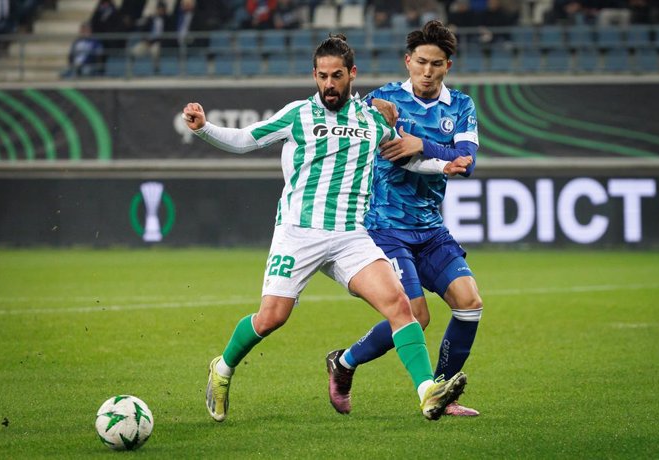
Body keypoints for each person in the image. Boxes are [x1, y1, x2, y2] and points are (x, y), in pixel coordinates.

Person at [182, 34, 468, 422]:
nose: (329, 84)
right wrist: (204, 128)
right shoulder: (298, 114)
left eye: (336, 76)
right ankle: (223, 367)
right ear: (313, 75)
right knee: (272, 318)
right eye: (321, 76)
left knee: (402, 307)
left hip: (351, 236)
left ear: (352, 74)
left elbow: (405, 159)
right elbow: (246, 140)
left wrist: (441, 165)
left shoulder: (372, 119)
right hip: (298, 232)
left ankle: (427, 392)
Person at [325, 20, 484, 418]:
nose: (427, 72)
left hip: (430, 227)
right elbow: (388, 151)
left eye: (437, 64)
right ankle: (344, 363)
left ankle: (444, 393)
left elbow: (468, 164)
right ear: (408, 61)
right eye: (421, 63)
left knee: (469, 303)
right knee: (417, 316)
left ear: (448, 66)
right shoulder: (383, 100)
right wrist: (436, 153)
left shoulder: (461, 106)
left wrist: (422, 144)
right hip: (385, 226)